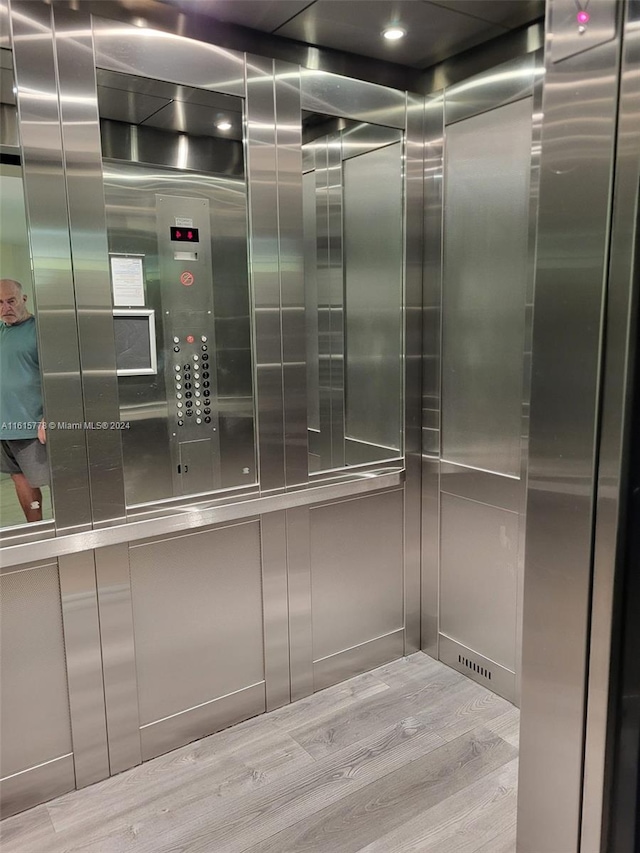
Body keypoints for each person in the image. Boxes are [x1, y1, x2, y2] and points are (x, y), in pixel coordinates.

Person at [0, 278, 48, 523]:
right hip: (4, 426)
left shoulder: (40, 330)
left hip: (32, 425)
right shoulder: (2, 331)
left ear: (24, 300)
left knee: (52, 480)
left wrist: (50, 416)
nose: (5, 307)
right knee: (18, 478)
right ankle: (35, 531)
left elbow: (57, 377)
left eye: (11, 301)